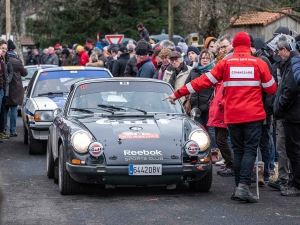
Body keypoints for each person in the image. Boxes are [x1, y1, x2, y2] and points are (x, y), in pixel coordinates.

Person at [163, 31, 277, 203]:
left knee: (238, 151)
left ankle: (239, 187)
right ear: (248, 45)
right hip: (253, 115)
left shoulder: (225, 64)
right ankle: (244, 187)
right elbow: (271, 88)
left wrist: (177, 94)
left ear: (234, 45)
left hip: (232, 115)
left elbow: (201, 82)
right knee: (249, 151)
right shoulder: (258, 63)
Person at [273, 35, 300, 197]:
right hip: (293, 113)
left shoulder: (294, 64)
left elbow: (289, 89)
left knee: (294, 151)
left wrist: (279, 108)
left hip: (292, 115)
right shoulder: (291, 64)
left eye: (278, 51)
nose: (277, 54)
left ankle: (296, 184)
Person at [4, 40, 28, 137]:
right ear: (13, 49)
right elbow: (25, 73)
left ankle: (4, 129)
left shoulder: (4, 59)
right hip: (15, 88)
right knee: (14, 109)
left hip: (5, 87)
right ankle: (13, 131)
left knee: (5, 109)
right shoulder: (17, 61)